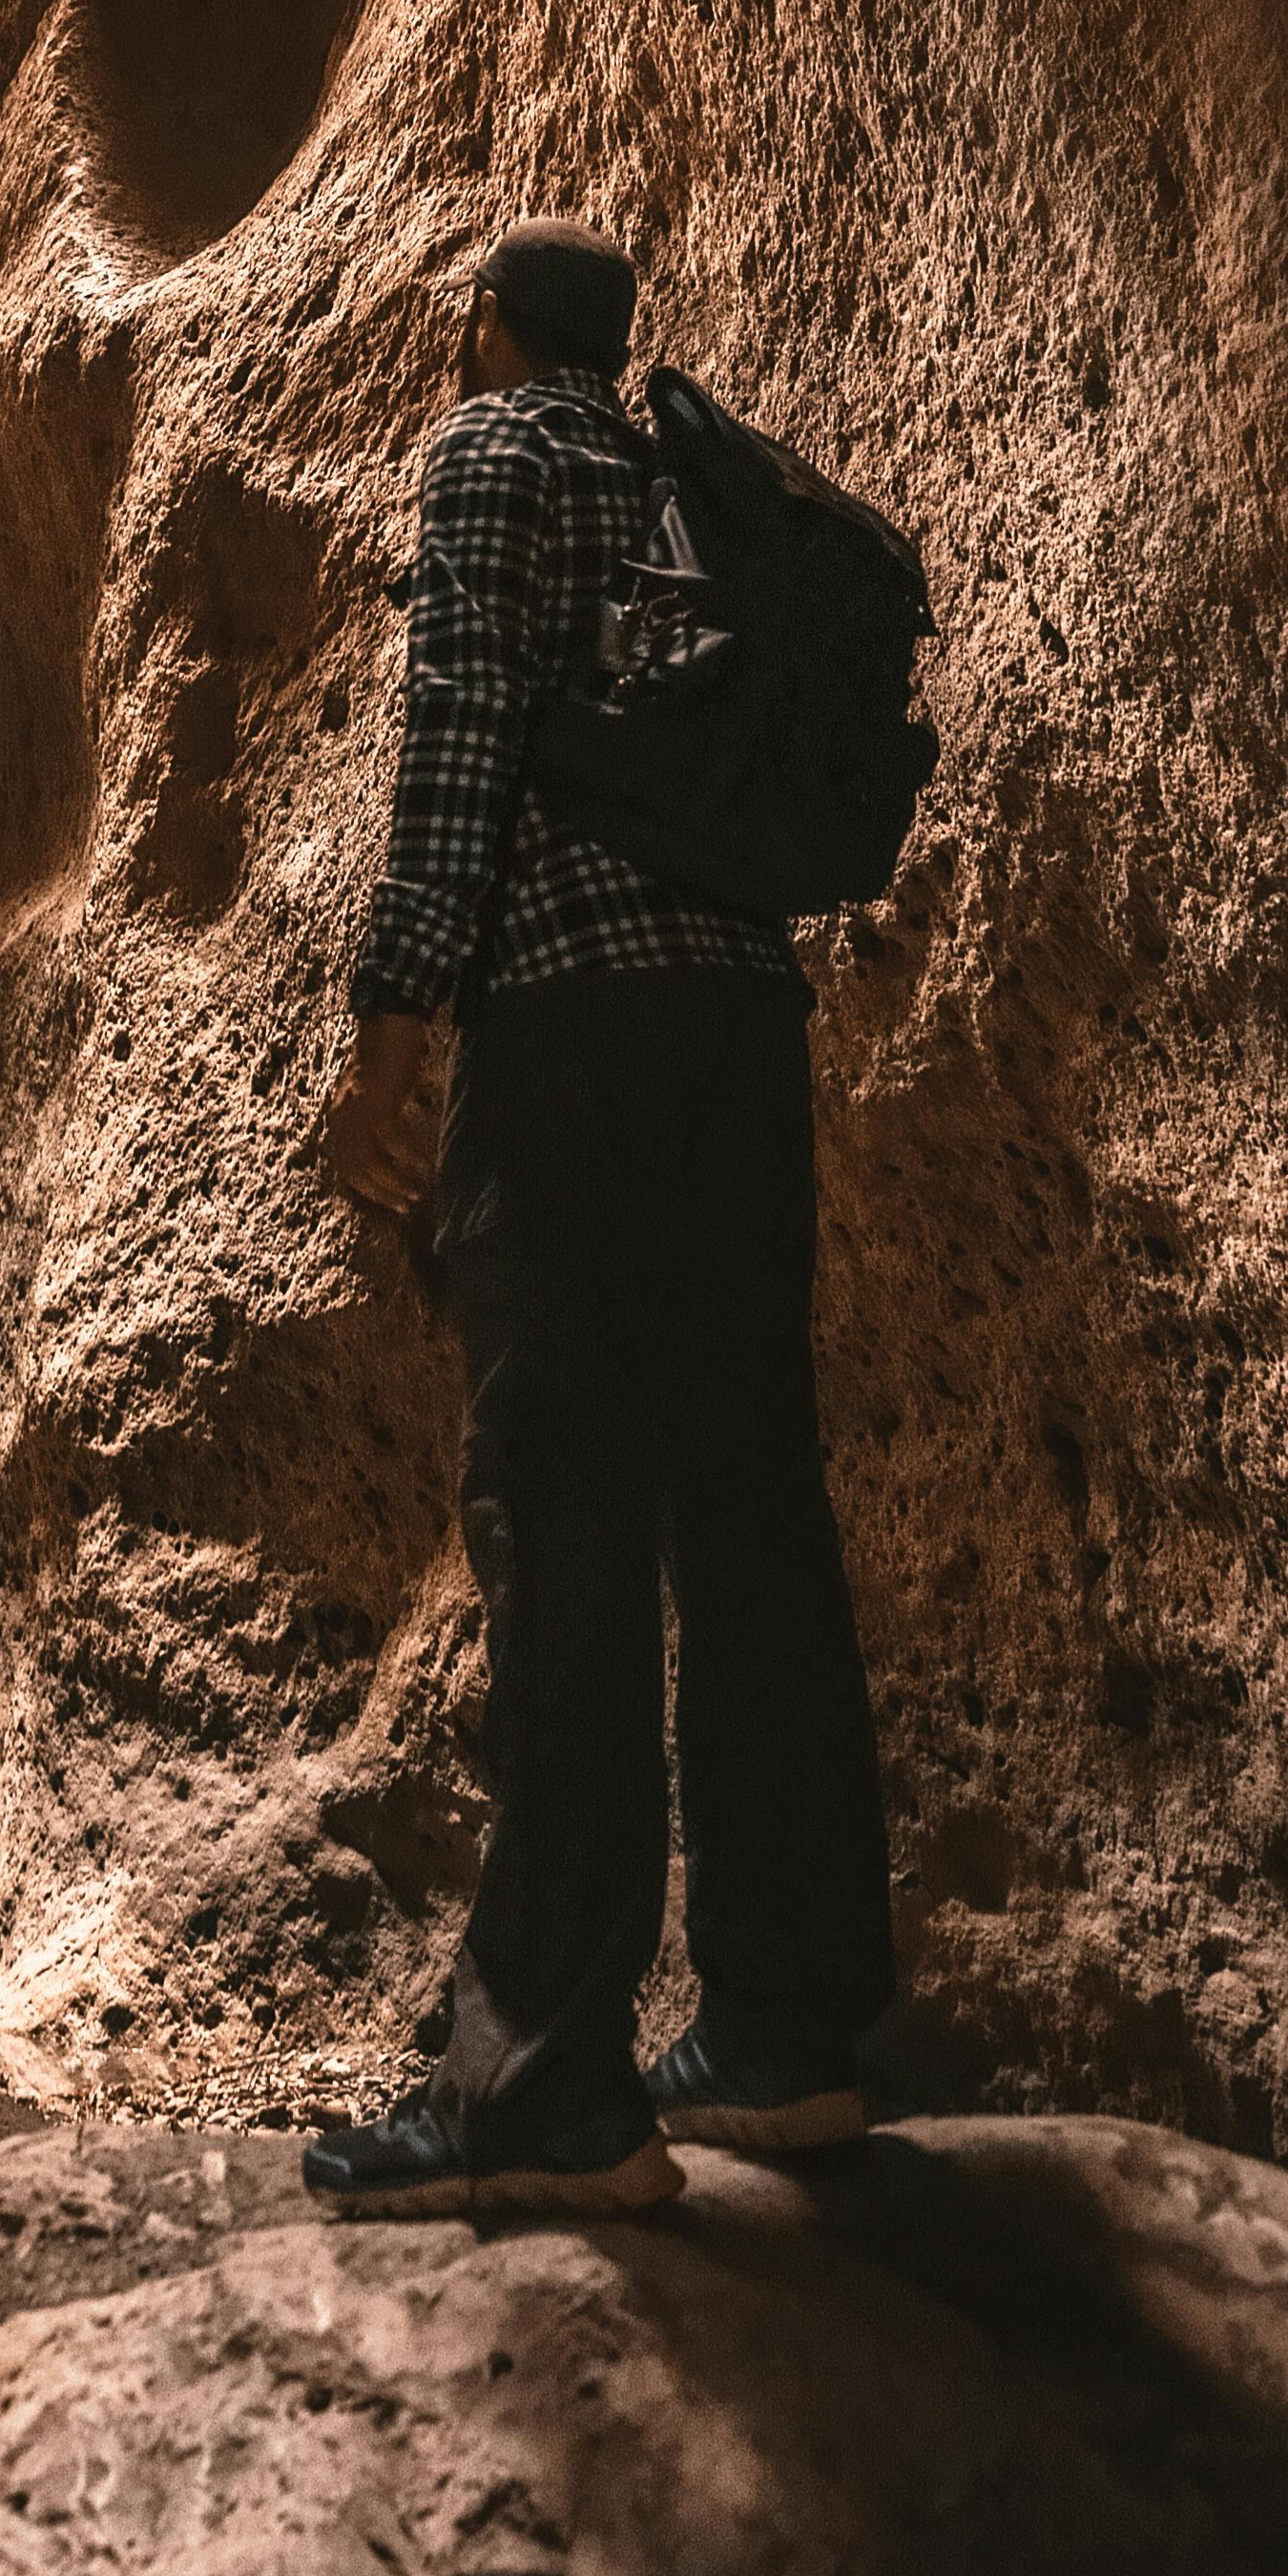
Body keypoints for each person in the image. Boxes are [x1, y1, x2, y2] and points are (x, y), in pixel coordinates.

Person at [304, 218, 896, 2219]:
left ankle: (546, 2085)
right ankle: (786, 2032)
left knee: (558, 1514)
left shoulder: (499, 451)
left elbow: (461, 729)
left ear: (483, 328)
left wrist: (391, 1035)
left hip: (567, 1036)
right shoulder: (678, 485)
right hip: (740, 1040)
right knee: (750, 1501)